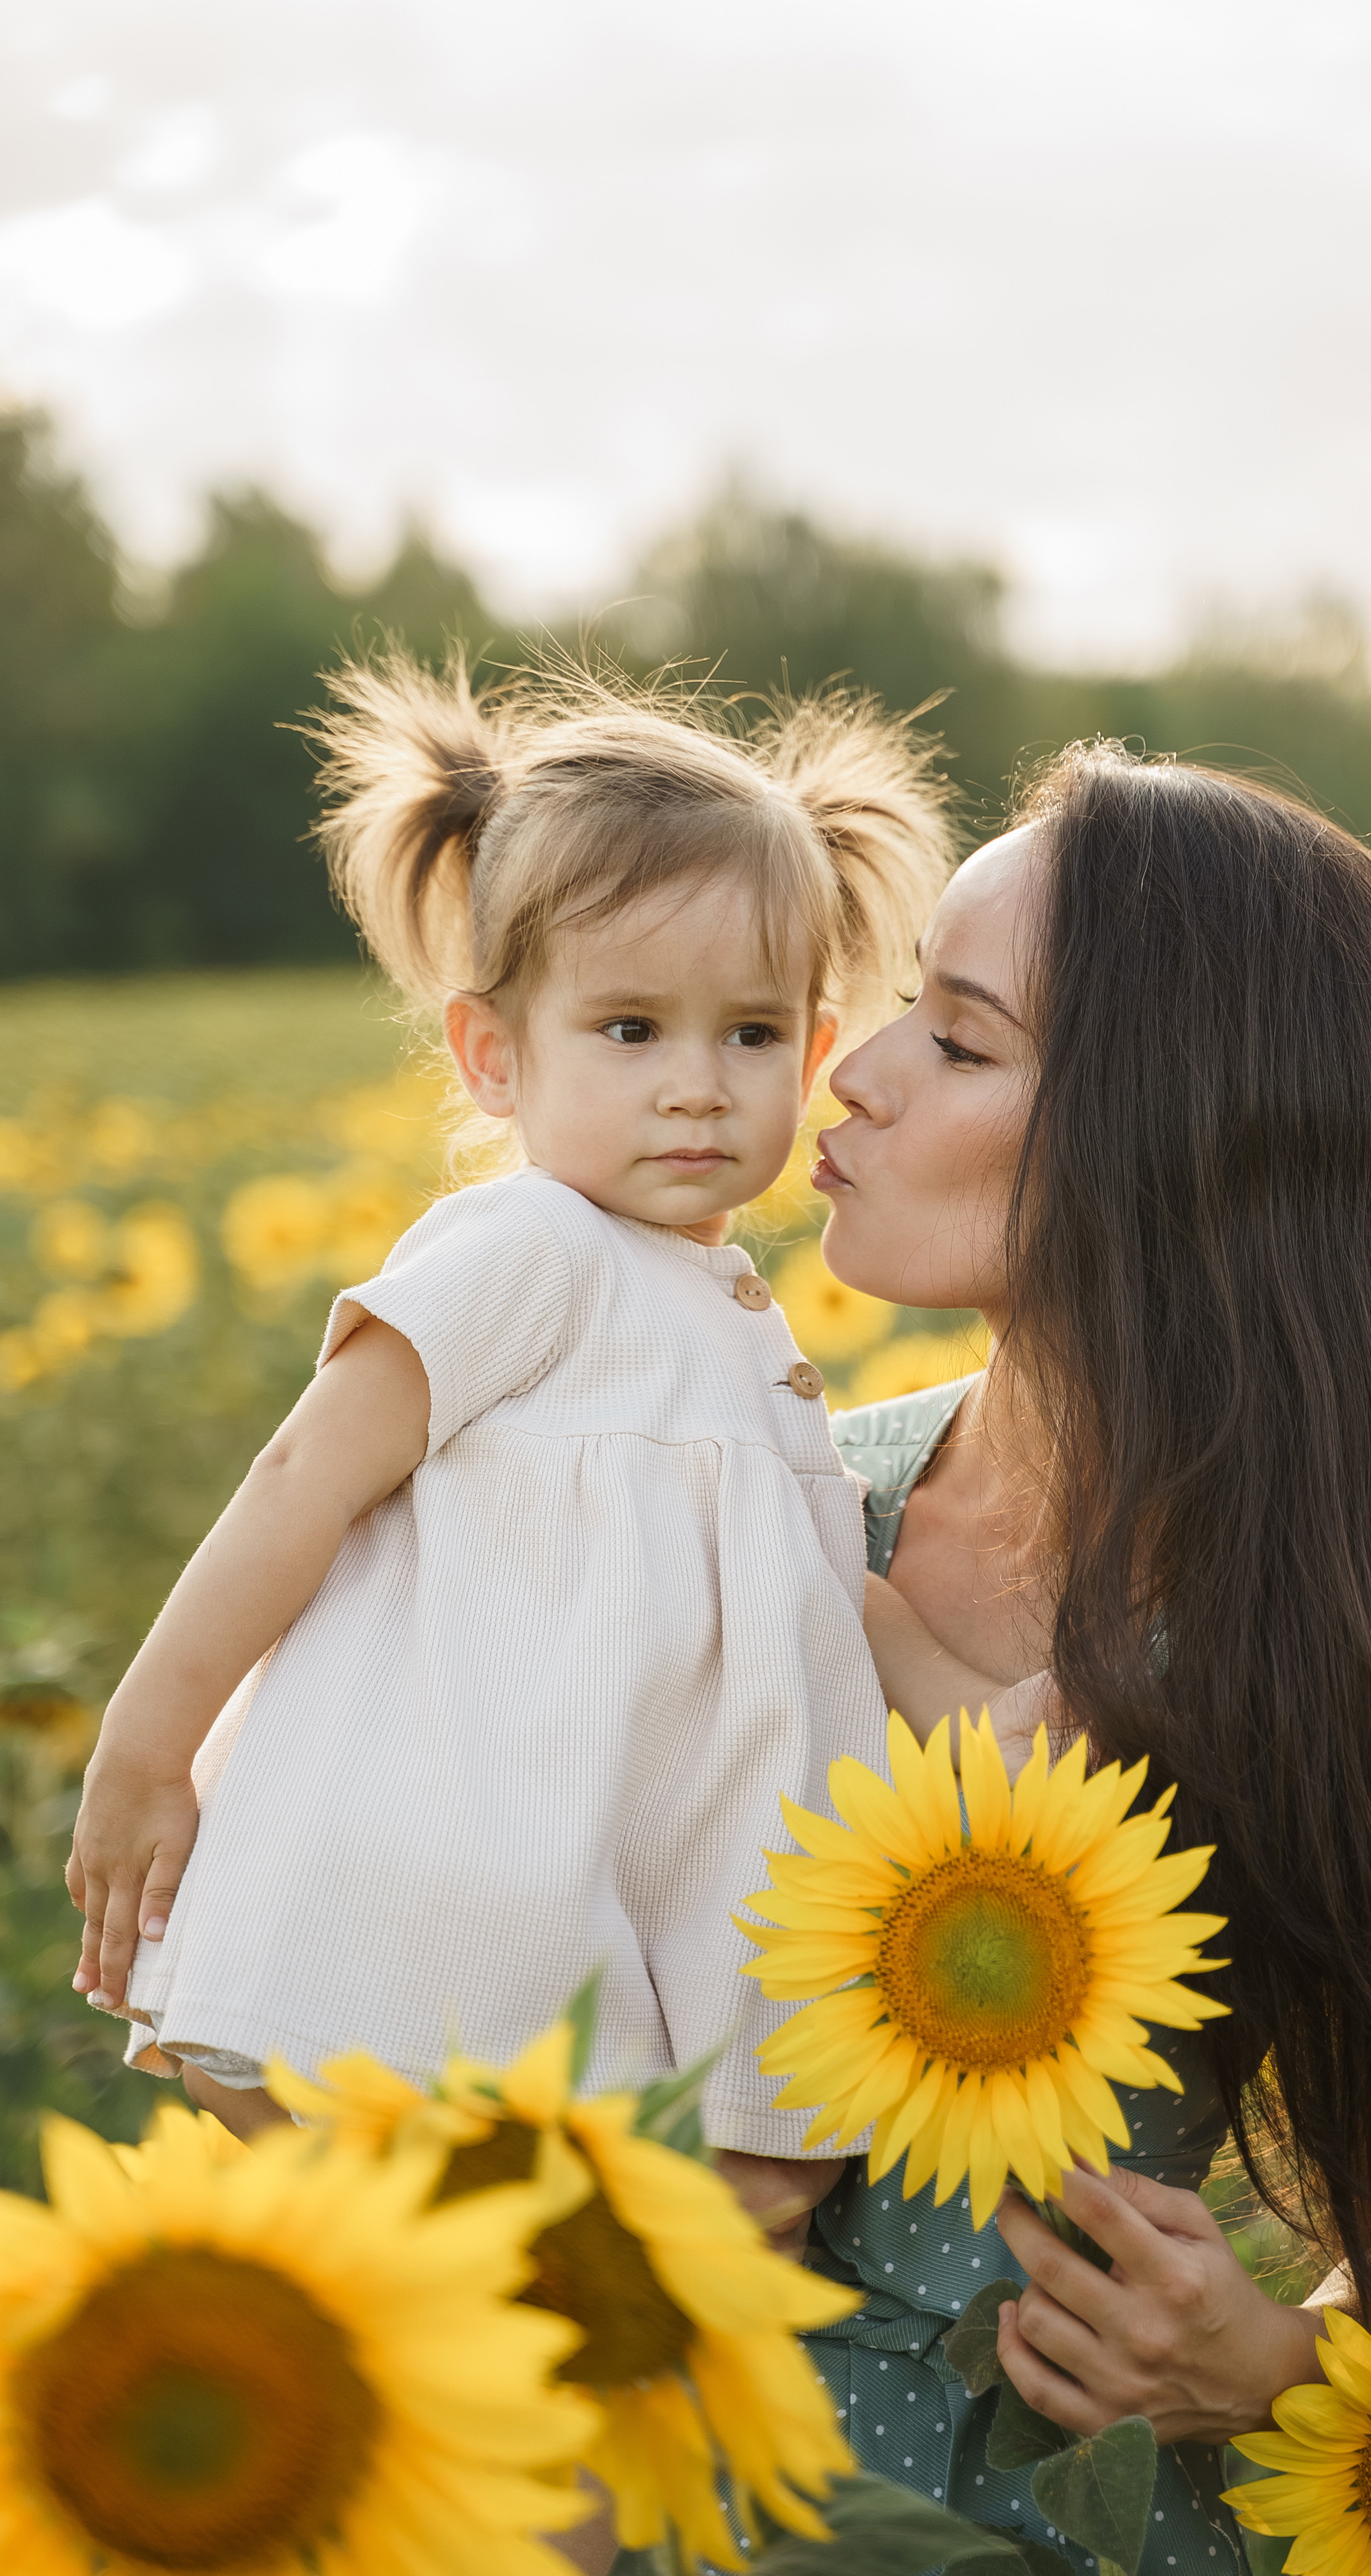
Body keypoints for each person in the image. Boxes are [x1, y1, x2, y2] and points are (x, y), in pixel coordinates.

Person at [793, 746, 1371, 2561]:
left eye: (959, 1043)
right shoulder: (784, 1496)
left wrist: (1274, 2365)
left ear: (1180, 1142)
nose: (855, 1072)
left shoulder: (1353, 1631)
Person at [66, 656, 952, 2238]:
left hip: (650, 1875)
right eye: (630, 1029)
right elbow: (301, 1480)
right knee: (508, 2218)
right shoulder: (528, 1246)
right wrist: (148, 1747)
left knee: (725, 2207)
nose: (697, 1088)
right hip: (491, 1864)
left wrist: (988, 1710)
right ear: (492, 1056)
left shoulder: (726, 1314)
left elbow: (817, 1591)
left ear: (813, 1051)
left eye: (750, 1034)